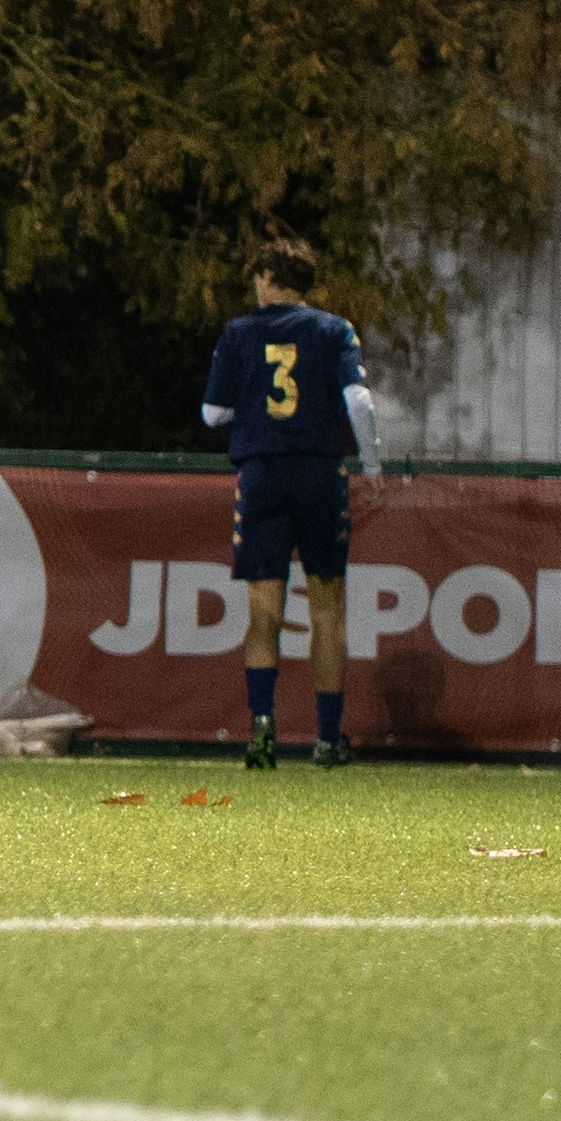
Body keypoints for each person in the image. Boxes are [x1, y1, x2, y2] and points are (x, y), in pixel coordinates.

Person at [201, 234, 379, 771]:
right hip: (318, 474)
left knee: (264, 610)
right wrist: (371, 465)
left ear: (271, 278)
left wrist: (254, 409)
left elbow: (213, 413)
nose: (256, 286)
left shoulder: (238, 333)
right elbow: (359, 399)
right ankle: (326, 740)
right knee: (327, 608)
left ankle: (262, 728)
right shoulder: (333, 329)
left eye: (260, 277)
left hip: (261, 474)